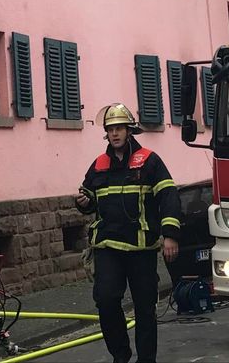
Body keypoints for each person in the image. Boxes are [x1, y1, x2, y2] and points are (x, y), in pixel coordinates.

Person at [75, 103, 181, 363]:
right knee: (106, 301)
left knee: (145, 309)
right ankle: (120, 356)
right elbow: (88, 195)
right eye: (110, 129)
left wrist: (170, 235)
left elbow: (168, 197)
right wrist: (83, 202)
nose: (115, 134)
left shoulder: (149, 161)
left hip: (141, 249)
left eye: (119, 128)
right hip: (108, 247)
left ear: (129, 130)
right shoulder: (99, 165)